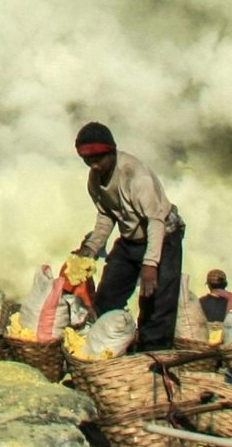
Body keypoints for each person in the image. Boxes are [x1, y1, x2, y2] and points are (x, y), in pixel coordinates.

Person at [73, 122, 185, 352]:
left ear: (112, 151)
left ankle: (154, 356)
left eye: (99, 159)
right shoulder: (95, 179)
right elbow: (106, 214)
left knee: (157, 302)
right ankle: (107, 348)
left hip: (163, 236)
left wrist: (150, 265)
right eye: (88, 161)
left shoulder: (134, 175)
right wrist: (92, 247)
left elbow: (156, 221)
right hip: (131, 238)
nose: (94, 166)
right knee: (107, 296)